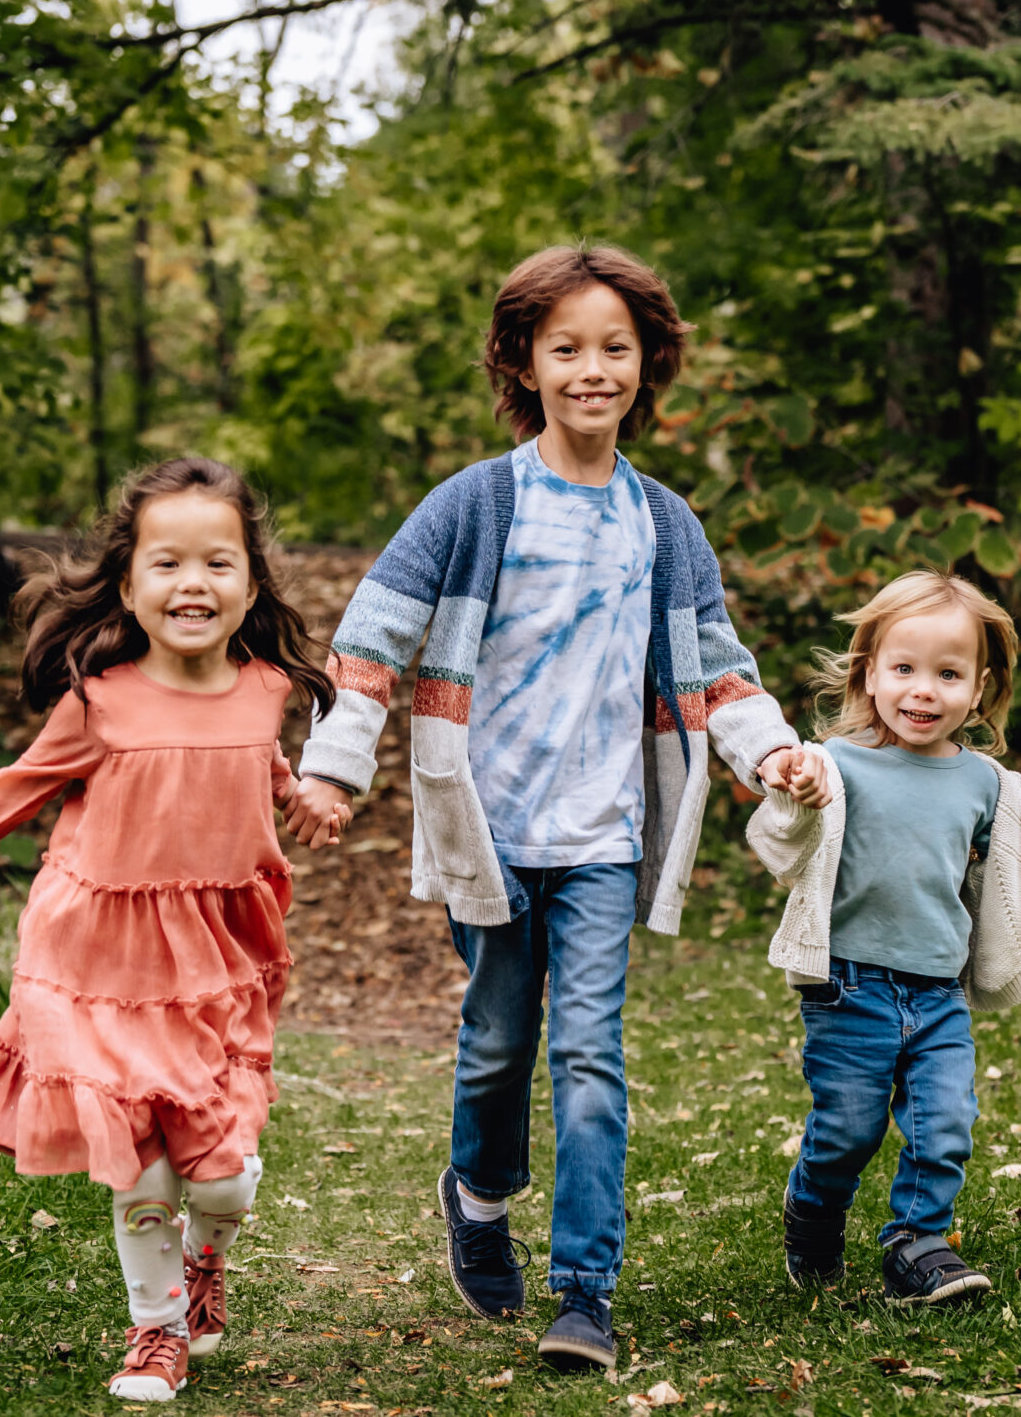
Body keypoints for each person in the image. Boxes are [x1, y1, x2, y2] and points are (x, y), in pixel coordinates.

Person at [282, 244, 819, 1372]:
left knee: (589, 1055)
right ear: (523, 361)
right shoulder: (475, 503)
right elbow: (372, 642)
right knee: (494, 1045)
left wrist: (770, 753)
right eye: (565, 347)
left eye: (613, 348)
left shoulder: (664, 525)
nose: (591, 369)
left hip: (602, 837)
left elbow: (719, 669)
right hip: (484, 826)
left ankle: (586, 1294)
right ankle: (477, 1194)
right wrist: (334, 767)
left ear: (647, 363)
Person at [0, 457, 347, 1404]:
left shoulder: (263, 690)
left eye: (217, 563)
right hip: (97, 957)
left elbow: (255, 772)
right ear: (128, 585)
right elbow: (15, 790)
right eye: (166, 564)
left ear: (251, 585)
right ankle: (156, 1329)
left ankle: (207, 1269)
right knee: (143, 1164)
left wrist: (303, 799)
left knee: (226, 1179)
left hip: (218, 959)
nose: (192, 583)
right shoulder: (101, 699)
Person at [748, 569, 1021, 1306]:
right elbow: (779, 845)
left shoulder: (988, 784)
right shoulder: (835, 765)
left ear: (977, 688)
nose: (923, 690)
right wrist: (795, 792)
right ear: (871, 673)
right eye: (904, 668)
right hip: (848, 986)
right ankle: (813, 1209)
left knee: (944, 1124)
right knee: (848, 1129)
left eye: (947, 674)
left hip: (938, 991)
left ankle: (918, 1244)